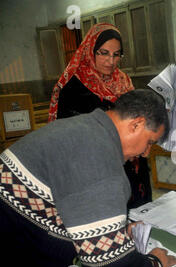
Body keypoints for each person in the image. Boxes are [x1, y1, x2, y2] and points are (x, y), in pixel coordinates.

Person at [0, 89, 176, 267]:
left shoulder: (84, 128)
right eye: (150, 142)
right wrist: (156, 264)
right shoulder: (99, 158)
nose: (146, 153)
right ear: (136, 124)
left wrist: (114, 232)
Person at [47, 23, 152, 209]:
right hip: (95, 172)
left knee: (139, 220)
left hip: (132, 168)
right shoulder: (73, 87)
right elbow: (67, 138)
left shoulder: (123, 81)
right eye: (103, 53)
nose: (110, 61)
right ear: (90, 50)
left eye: (116, 54)